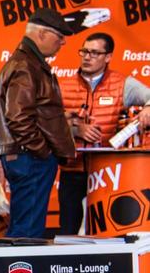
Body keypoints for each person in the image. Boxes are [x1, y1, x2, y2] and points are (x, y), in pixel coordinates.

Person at [0, 8, 81, 239]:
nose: (62, 42)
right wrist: (42, 151)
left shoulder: (27, 62)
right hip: (29, 156)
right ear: (42, 34)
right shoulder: (26, 64)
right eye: (59, 36)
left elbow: (25, 112)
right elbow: (18, 117)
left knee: (25, 225)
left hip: (26, 155)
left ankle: (14, 272)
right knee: (27, 230)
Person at [57, 31, 150, 235]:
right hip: (71, 170)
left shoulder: (122, 84)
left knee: (104, 231)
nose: (87, 57)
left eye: (94, 53)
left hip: (106, 173)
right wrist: (76, 130)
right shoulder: (63, 86)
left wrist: (148, 108)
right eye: (84, 52)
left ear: (108, 57)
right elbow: (49, 122)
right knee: (68, 231)